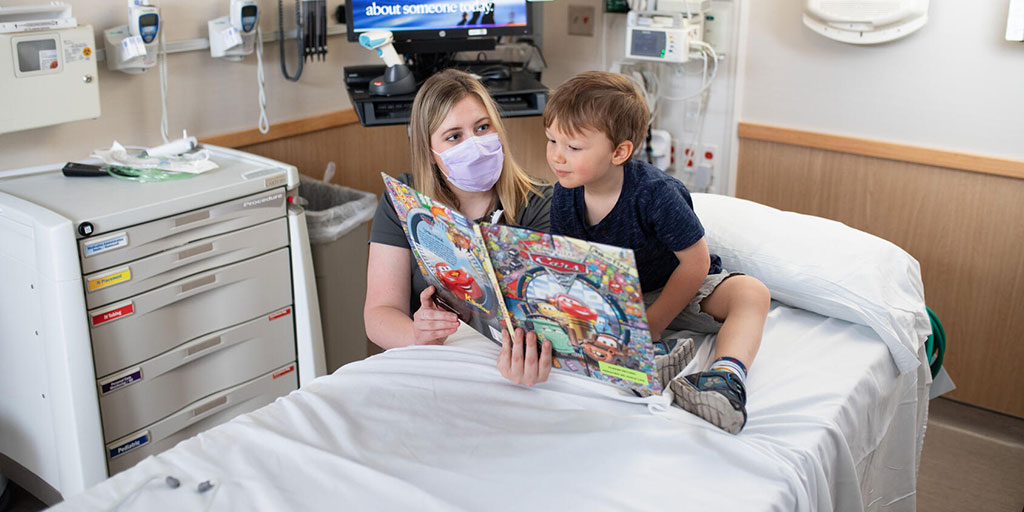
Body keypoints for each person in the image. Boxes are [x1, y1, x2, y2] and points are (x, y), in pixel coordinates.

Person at [543, 71, 771, 434]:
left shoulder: (655, 193)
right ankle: (656, 357)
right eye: (552, 141)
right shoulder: (565, 194)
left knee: (752, 293)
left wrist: (653, 323)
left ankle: (723, 378)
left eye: (573, 148)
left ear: (620, 152)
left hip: (681, 283)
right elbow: (572, 268)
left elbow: (695, 263)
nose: (557, 157)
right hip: (623, 295)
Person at [364, 68, 554, 386]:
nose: (476, 144)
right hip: (432, 367)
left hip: (507, 371)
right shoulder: (402, 201)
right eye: (454, 136)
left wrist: (530, 359)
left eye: (483, 127)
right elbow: (379, 314)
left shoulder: (538, 203)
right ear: (430, 151)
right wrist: (417, 333)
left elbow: (546, 320)